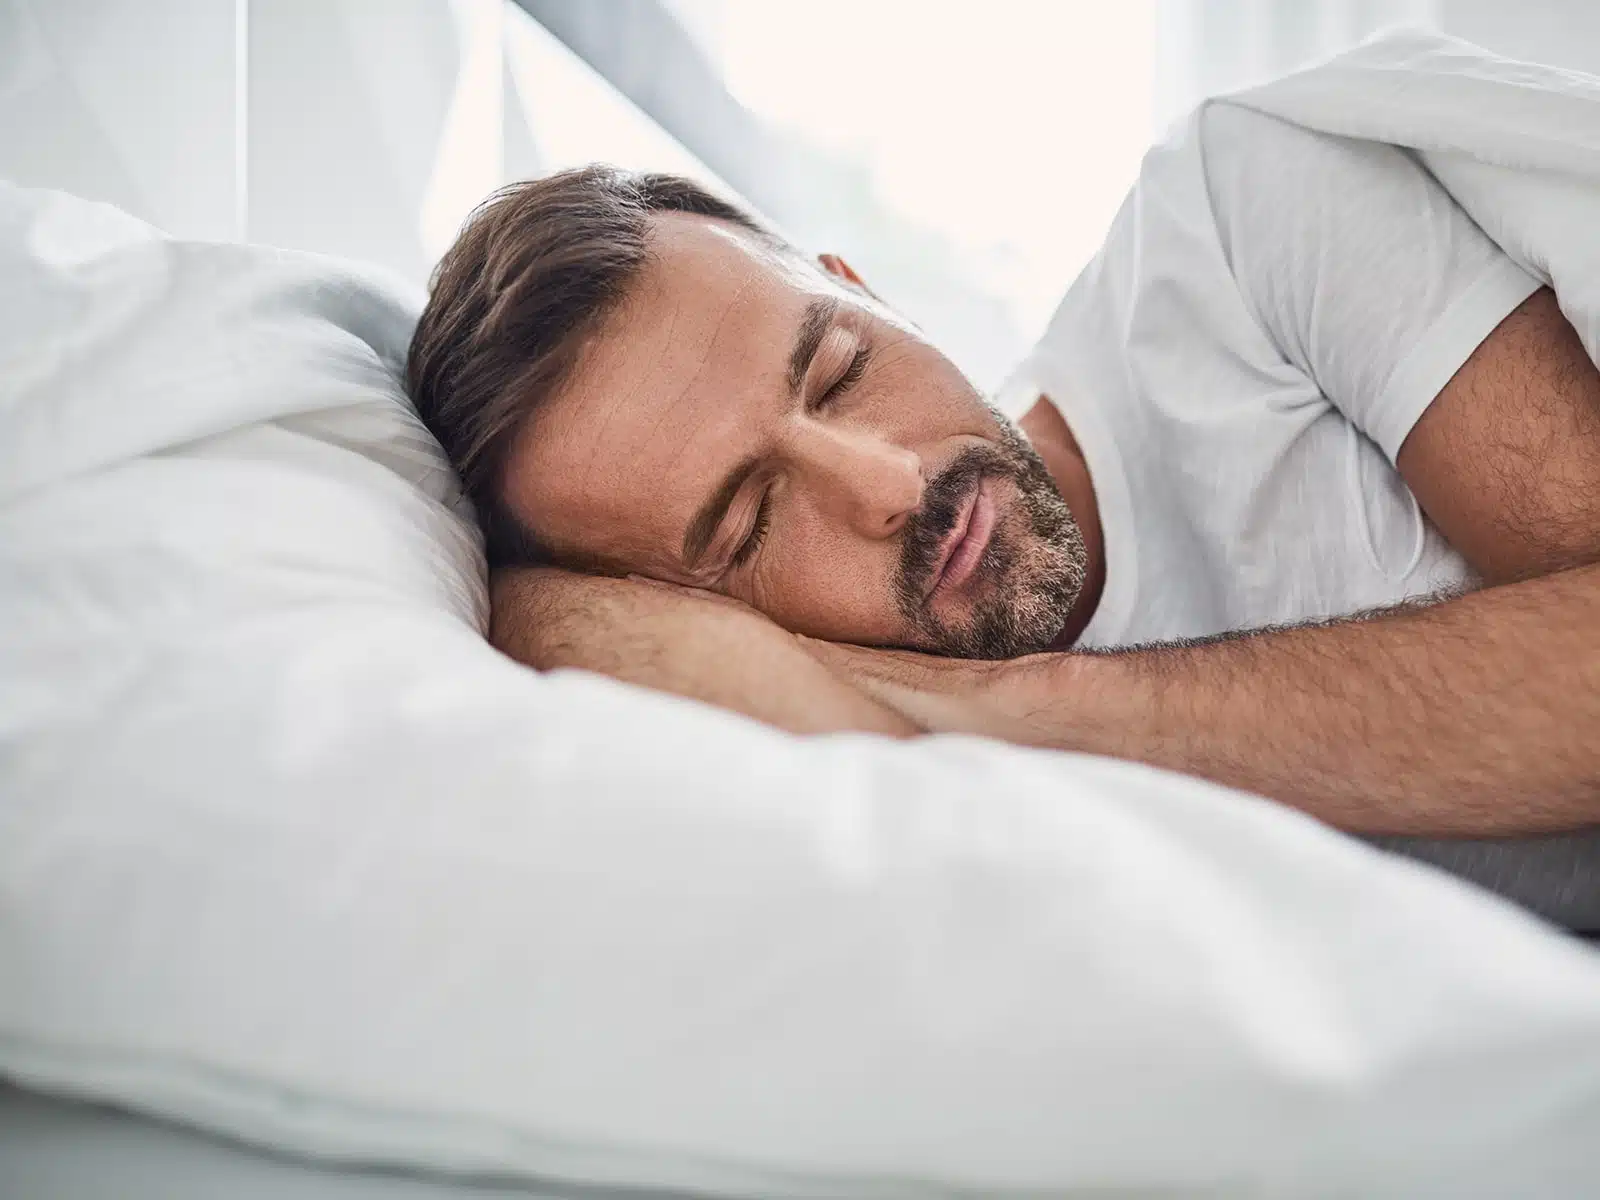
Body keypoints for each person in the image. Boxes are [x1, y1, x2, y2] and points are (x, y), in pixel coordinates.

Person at [407, 105, 1600, 838]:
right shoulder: (865, 781)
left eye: (838, 369)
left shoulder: (1241, 218)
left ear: (865, 288)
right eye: (750, 523)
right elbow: (542, 624)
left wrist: (1043, 709)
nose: (882, 486)